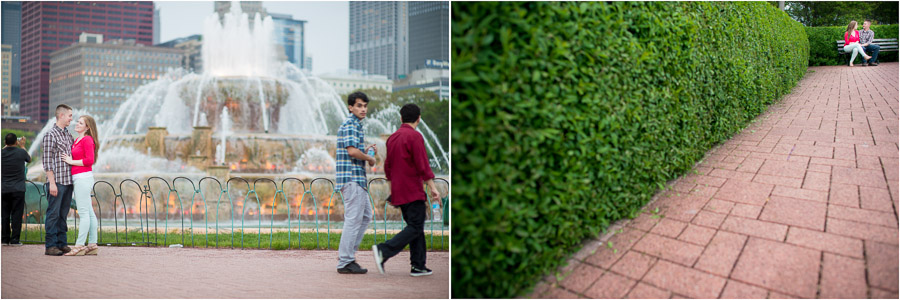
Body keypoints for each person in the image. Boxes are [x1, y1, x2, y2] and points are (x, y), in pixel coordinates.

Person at [371, 103, 440, 277]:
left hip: (399, 191)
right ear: (419, 118)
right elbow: (423, 165)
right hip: (412, 190)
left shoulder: (392, 138)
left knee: (415, 227)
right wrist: (433, 189)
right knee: (416, 226)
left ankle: (418, 265)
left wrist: (393, 188)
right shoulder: (415, 137)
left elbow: (388, 167)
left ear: (401, 118)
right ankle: (383, 250)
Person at [335, 91, 377, 274]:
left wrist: (364, 150)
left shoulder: (355, 125)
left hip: (356, 179)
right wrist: (369, 158)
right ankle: (345, 261)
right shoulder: (351, 124)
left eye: (365, 106)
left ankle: (348, 256)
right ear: (350, 107)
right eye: (359, 105)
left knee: (366, 216)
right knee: (353, 220)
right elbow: (352, 152)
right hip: (352, 179)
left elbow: (353, 150)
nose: (363, 109)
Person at [61, 115, 100, 256]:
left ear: (87, 127)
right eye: (77, 121)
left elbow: (90, 160)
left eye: (81, 123)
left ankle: (79, 246)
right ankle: (92, 245)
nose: (77, 124)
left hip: (83, 178)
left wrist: (71, 161)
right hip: (79, 177)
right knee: (89, 212)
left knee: (83, 213)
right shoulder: (78, 139)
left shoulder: (88, 140)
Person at [41, 104, 75, 256]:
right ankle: (51, 245)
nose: (71, 119)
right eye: (69, 116)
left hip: (68, 182)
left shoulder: (68, 135)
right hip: (57, 182)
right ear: (61, 115)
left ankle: (62, 243)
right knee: (53, 214)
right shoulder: (50, 135)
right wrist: (52, 183)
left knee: (63, 214)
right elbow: (47, 162)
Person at [2, 133, 31, 246]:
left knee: (4, 215)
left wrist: (7, 146)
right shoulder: (21, 152)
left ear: (5, 142)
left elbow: (4, 149)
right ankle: (15, 240)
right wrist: (22, 145)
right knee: (17, 215)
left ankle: (4, 240)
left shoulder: (2, 153)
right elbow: (29, 159)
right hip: (18, 189)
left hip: (4, 189)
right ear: (16, 142)